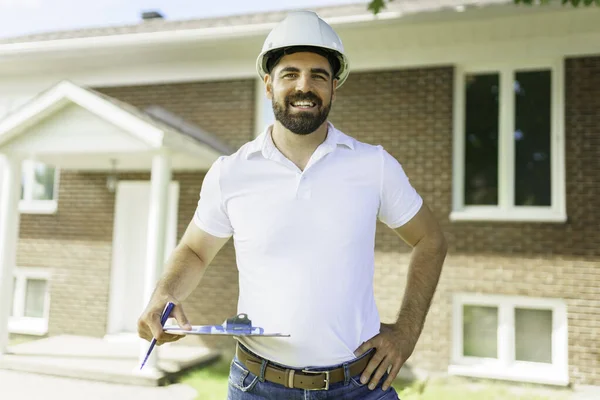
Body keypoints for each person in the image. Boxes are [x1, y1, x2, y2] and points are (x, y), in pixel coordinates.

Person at [137, 10, 447, 399]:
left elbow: (430, 240)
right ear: (268, 85)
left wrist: (406, 332)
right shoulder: (230, 172)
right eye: (290, 74)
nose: (305, 86)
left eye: (318, 75)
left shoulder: (374, 165)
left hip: (358, 387)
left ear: (334, 86)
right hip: (257, 387)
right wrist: (165, 293)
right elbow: (195, 251)